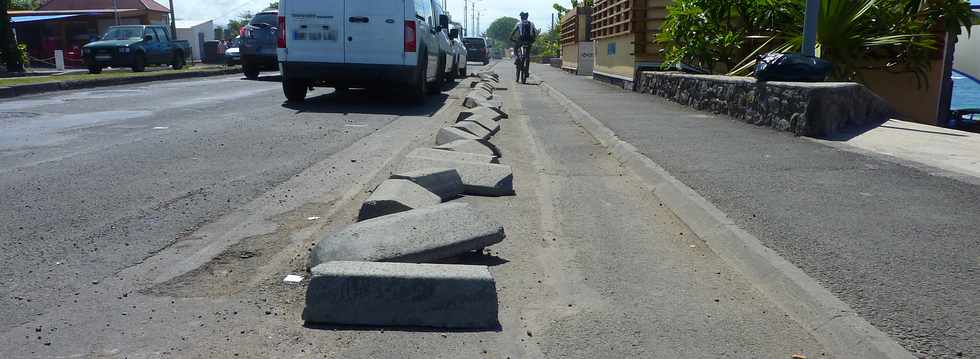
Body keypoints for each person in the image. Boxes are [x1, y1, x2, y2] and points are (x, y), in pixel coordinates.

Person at [509, 12, 537, 81]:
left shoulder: (519, 23)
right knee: (527, 56)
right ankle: (526, 71)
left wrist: (512, 39)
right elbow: (534, 34)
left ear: (521, 17)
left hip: (521, 41)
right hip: (529, 41)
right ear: (527, 17)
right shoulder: (531, 23)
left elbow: (513, 33)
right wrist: (532, 41)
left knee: (515, 49)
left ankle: (517, 58)